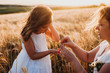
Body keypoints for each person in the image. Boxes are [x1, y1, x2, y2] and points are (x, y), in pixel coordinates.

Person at [8, 5, 60, 73]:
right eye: (44, 27)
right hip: (30, 63)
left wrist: (50, 25)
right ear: (37, 23)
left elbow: (56, 39)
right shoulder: (27, 34)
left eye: (47, 26)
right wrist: (50, 51)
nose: (46, 29)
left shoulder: (42, 29)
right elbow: (33, 55)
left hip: (43, 60)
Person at [60, 6, 110, 73]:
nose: (96, 28)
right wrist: (73, 46)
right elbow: (87, 57)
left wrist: (73, 60)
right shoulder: (105, 44)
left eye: (101, 25)